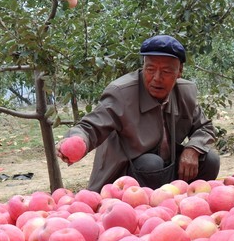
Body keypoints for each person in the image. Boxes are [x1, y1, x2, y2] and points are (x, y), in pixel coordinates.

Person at [61, 35, 221, 191]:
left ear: (179, 71)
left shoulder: (185, 92)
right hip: (128, 178)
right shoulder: (122, 93)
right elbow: (92, 125)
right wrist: (77, 139)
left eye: (166, 71)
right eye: (150, 69)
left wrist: (193, 149)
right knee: (150, 164)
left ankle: (189, 202)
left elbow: (205, 127)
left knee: (210, 159)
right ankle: (146, 206)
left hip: (167, 171)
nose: (156, 78)